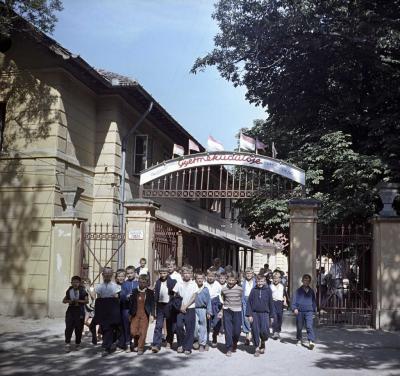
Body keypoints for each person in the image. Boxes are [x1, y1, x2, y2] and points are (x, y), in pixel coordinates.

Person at [95, 267, 121, 356]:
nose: (107, 275)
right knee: (104, 327)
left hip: (112, 308)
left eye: (109, 273)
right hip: (103, 308)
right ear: (102, 274)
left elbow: (116, 298)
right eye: (105, 273)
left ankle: (107, 346)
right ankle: (107, 344)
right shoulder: (99, 286)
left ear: (112, 275)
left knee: (110, 327)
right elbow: (98, 299)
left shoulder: (115, 286)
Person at [246, 274, 275, 356]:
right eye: (258, 281)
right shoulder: (253, 290)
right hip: (255, 313)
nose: (260, 283)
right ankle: (256, 348)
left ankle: (263, 341)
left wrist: (272, 316)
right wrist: (249, 315)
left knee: (264, 331)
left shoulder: (268, 290)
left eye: (262, 281)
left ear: (265, 281)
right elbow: (249, 303)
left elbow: (271, 303)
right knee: (255, 330)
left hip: (265, 313)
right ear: (256, 281)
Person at [173, 266, 198, 355]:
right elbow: (176, 295)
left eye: (188, 273)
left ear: (191, 274)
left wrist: (186, 306)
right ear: (182, 274)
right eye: (185, 273)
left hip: (190, 308)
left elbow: (194, 297)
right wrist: (180, 306)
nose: (186, 275)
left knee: (190, 328)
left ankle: (188, 347)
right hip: (180, 308)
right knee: (179, 326)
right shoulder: (179, 283)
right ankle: (180, 344)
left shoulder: (194, 284)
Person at [151, 265, 177, 352]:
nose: (163, 274)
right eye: (161, 273)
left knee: (169, 325)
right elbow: (155, 295)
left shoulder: (172, 282)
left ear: (168, 273)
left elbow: (175, 294)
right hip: (160, 305)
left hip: (169, 305)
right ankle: (156, 344)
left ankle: (169, 341)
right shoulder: (157, 282)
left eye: (164, 273)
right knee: (158, 325)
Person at [129, 274, 154, 355]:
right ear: (138, 282)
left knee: (143, 331)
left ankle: (140, 347)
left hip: (145, 314)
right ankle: (136, 343)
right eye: (140, 282)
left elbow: (152, 304)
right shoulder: (134, 291)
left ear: (147, 283)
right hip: (135, 313)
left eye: (144, 282)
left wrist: (152, 315)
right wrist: (130, 314)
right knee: (133, 331)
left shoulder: (150, 292)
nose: (142, 284)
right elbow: (131, 304)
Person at [219, 271, 243, 357]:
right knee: (228, 330)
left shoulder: (240, 289)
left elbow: (242, 299)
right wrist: (221, 311)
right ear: (226, 280)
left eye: (233, 280)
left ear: (236, 280)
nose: (231, 282)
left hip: (237, 311)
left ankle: (234, 342)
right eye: (229, 280)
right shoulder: (224, 290)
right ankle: (228, 348)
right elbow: (223, 300)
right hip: (227, 311)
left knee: (237, 331)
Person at [63, 276, 88, 352]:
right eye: (73, 282)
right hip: (70, 310)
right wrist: (68, 301)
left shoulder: (83, 291)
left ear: (79, 283)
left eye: (77, 282)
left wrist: (78, 301)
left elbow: (87, 301)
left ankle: (78, 343)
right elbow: (64, 300)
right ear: (71, 282)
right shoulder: (69, 290)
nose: (75, 284)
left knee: (79, 328)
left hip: (79, 310)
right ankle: (67, 344)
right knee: (68, 327)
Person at [292, 274, 317, 350]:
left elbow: (313, 302)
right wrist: (294, 308)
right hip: (300, 311)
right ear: (302, 281)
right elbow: (294, 301)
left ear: (309, 282)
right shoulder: (298, 291)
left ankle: (311, 341)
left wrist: (314, 311)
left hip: (309, 311)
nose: (306, 282)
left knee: (309, 326)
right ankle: (299, 339)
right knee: (299, 327)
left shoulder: (311, 291)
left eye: (308, 281)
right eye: (305, 280)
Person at [119, 266, 138, 352]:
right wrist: (126, 296)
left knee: (136, 326)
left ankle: (136, 343)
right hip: (126, 308)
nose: (129, 275)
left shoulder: (138, 283)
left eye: (131, 273)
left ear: (134, 273)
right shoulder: (124, 284)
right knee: (126, 326)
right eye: (128, 273)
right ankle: (127, 343)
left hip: (136, 308)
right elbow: (122, 295)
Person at [193, 273, 212, 352]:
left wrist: (208, 311)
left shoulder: (205, 289)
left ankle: (202, 344)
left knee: (203, 327)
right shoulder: (193, 287)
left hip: (203, 309)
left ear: (204, 279)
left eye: (201, 278)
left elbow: (208, 301)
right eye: (198, 278)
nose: (200, 280)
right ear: (195, 279)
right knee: (195, 326)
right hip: (193, 308)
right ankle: (196, 340)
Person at [204, 269, 222, 347]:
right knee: (207, 323)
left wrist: (222, 306)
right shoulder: (204, 284)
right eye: (209, 276)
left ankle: (214, 335)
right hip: (207, 303)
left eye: (212, 276)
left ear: (215, 277)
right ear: (206, 276)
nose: (210, 278)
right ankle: (207, 340)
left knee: (217, 322)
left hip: (216, 304)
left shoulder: (217, 284)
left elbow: (221, 295)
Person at [241, 267, 256, 345]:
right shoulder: (242, 282)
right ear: (245, 274)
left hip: (254, 301)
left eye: (250, 273)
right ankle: (247, 335)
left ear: (253, 274)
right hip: (245, 301)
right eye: (247, 273)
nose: (249, 275)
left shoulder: (256, 282)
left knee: (253, 318)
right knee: (245, 318)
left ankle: (254, 335)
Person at [270, 271, 284, 339]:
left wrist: (285, 301)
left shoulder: (282, 286)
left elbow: (284, 294)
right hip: (273, 302)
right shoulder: (270, 286)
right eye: (274, 278)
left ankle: (278, 330)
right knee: (274, 317)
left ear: (280, 279)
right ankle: (275, 332)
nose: (275, 279)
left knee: (280, 317)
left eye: (277, 278)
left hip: (280, 303)